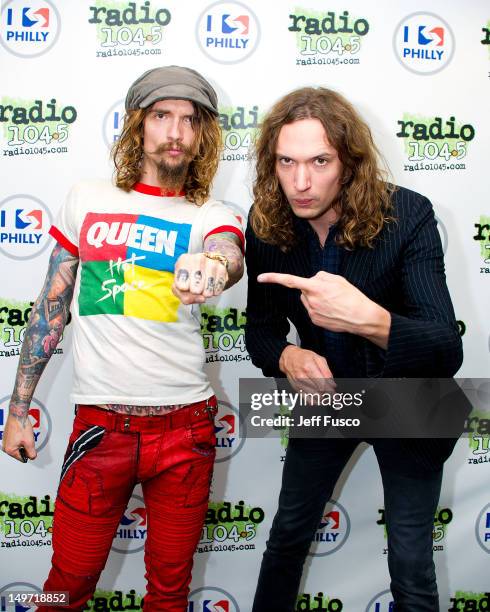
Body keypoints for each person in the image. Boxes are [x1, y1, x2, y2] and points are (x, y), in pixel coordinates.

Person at [2, 65, 244, 611]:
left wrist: (214, 265)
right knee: (66, 585)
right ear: (138, 126)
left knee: (168, 593)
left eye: (189, 120)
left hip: (185, 432)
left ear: (203, 134)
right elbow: (49, 309)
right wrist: (18, 409)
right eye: (162, 116)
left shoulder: (211, 213)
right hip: (100, 431)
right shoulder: (86, 199)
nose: (176, 131)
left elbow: (228, 252)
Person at [245, 87, 462, 611]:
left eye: (320, 161)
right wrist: (286, 357)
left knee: (411, 561)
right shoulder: (268, 222)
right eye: (286, 162)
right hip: (330, 398)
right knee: (286, 538)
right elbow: (260, 331)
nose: (301, 182)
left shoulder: (407, 213)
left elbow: (444, 347)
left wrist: (371, 320)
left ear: (349, 161)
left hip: (410, 397)